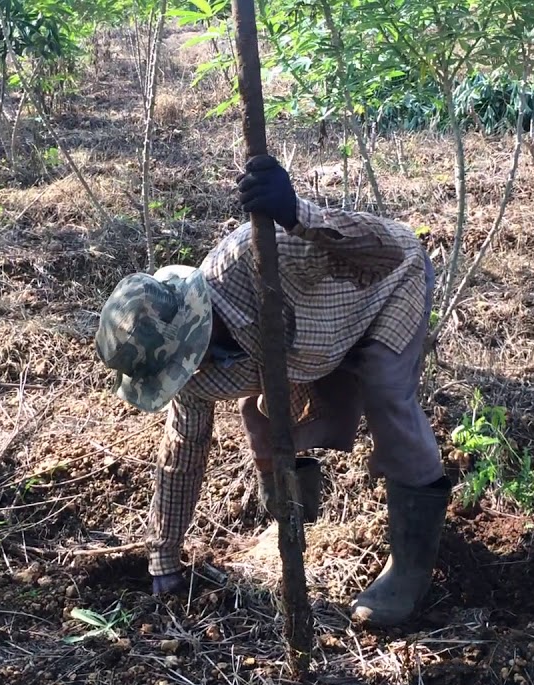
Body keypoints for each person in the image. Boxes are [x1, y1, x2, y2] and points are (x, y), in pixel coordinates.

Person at [93, 155, 451, 627]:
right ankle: (294, 516)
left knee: (386, 390)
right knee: (259, 415)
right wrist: (164, 557)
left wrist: (296, 214)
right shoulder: (191, 377)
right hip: (321, 343)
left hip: (386, 287)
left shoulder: (258, 255)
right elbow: (181, 453)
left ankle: (410, 568)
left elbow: (385, 248)